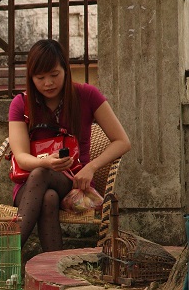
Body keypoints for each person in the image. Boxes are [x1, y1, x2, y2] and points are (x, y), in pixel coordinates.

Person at [9, 39, 131, 252]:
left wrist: (91, 167)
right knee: (48, 195)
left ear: (65, 69)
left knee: (41, 175)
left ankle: (3, 258)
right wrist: (46, 162)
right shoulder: (21, 103)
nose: (48, 83)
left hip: (72, 180)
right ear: (31, 78)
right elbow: (20, 157)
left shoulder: (87, 95)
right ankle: (54, 273)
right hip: (28, 186)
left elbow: (122, 141)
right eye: (40, 78)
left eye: (54, 75)